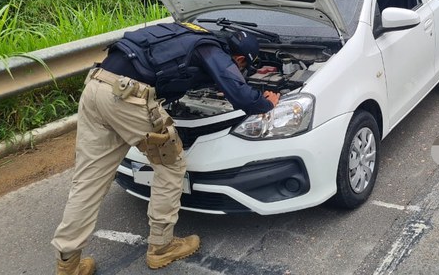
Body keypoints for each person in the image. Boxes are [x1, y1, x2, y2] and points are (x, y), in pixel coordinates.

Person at [51, 22, 279, 275]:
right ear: (238, 57)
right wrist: (265, 103)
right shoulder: (212, 49)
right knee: (171, 164)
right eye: (242, 66)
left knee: (89, 179)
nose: (240, 70)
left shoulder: (188, 34)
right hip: (126, 97)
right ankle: (161, 247)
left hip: (96, 86)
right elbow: (242, 96)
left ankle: (68, 263)